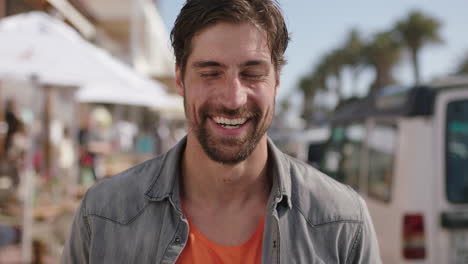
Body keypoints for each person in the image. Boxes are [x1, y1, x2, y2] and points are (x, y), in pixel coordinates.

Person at [62, 0, 382, 263]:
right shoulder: (104, 215)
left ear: (277, 82)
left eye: (252, 73)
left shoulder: (342, 222)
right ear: (180, 79)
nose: (233, 98)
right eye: (211, 73)